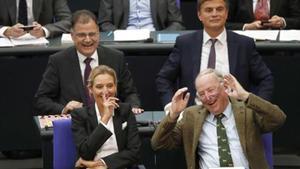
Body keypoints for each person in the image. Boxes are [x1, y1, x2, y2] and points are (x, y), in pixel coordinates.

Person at [155, 0, 274, 166]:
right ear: (199, 15)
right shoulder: (185, 43)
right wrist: (173, 110)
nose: (214, 14)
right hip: (195, 118)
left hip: (234, 118)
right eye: (209, 10)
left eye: (219, 9)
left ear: (226, 13)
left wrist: (254, 109)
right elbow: (163, 78)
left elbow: (265, 78)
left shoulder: (243, 44)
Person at [152, 69, 286, 169]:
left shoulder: (246, 110)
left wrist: (245, 96)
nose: (207, 97)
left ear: (224, 87)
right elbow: (158, 143)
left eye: (211, 90)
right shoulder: (191, 116)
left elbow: (278, 119)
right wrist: (173, 115)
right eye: (201, 94)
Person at [34, 10, 143, 115]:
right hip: (75, 126)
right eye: (82, 35)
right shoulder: (58, 61)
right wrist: (64, 108)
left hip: (111, 122)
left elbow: (130, 93)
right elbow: (41, 100)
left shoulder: (116, 57)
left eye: (92, 34)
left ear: (99, 34)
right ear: (72, 36)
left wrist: (133, 107)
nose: (87, 39)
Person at [72, 65, 141, 169]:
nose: (105, 91)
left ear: (115, 87)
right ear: (90, 89)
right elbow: (85, 153)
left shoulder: (125, 111)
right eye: (99, 87)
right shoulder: (80, 115)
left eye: (110, 85)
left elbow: (134, 152)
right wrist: (105, 118)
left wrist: (102, 163)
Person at [98, 0, 185, 32]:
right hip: (122, 40)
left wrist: (161, 35)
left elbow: (177, 23)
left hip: (155, 39)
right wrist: (118, 34)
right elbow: (104, 23)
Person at [0, 0, 72, 38]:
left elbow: (68, 20)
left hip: (42, 47)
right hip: (6, 48)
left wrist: (44, 30)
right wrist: (6, 31)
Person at [226, 0, 300, 30]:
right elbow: (223, 23)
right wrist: (246, 26)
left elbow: (297, 20)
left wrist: (283, 22)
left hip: (280, 49)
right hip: (244, 46)